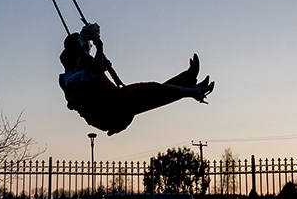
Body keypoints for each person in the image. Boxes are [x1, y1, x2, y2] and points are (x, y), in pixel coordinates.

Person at [58, 24, 214, 136]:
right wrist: (100, 47)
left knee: (154, 96)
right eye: (88, 44)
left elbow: (92, 72)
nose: (90, 46)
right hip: (113, 106)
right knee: (153, 90)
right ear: (83, 46)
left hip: (109, 113)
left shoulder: (73, 69)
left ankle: (189, 82)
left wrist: (100, 57)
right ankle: (192, 88)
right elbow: (93, 71)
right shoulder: (81, 60)